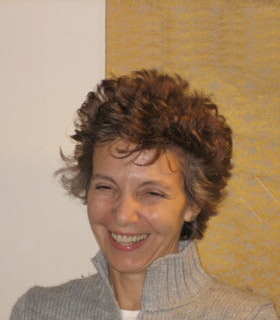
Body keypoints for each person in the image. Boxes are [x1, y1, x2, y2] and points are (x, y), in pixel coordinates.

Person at [10, 69, 279, 319]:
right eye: (105, 187)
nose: (124, 215)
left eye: (151, 193)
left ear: (193, 202)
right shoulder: (37, 312)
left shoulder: (247, 317)